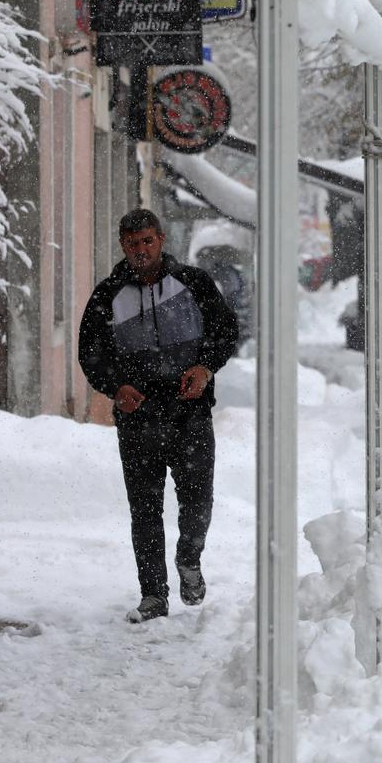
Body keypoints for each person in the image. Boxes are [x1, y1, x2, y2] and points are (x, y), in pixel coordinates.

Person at [78, 209, 240, 623]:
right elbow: (90, 353)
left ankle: (189, 558)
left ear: (161, 240)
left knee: (198, 501)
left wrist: (204, 368)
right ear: (123, 245)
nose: (141, 250)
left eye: (147, 241)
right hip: (139, 419)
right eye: (133, 243)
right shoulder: (107, 296)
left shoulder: (194, 283)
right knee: (145, 510)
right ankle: (153, 594)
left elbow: (225, 331)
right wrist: (116, 388)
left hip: (190, 413)